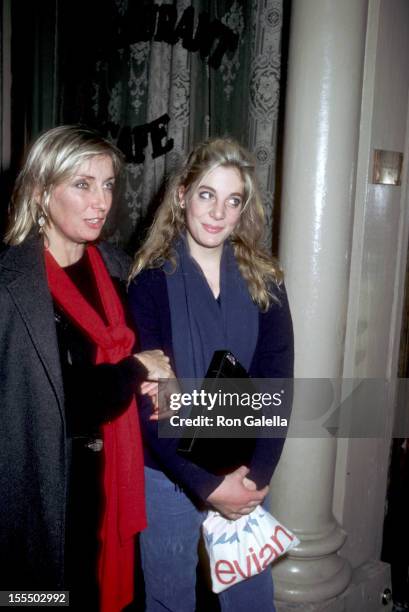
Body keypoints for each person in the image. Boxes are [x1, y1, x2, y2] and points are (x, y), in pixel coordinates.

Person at [0, 125, 172, 611]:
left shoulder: (119, 270)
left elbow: (157, 363)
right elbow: (61, 403)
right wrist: (134, 370)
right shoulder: (11, 288)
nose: (101, 201)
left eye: (108, 184)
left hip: (113, 489)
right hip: (46, 498)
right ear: (40, 191)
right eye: (82, 184)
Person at [128, 137, 294, 611]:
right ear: (182, 194)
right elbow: (149, 398)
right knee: (169, 600)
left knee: (252, 599)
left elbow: (276, 383)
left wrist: (255, 477)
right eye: (206, 194)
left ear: (244, 209)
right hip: (168, 471)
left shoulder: (266, 281)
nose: (219, 212)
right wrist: (206, 484)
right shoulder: (148, 282)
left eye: (233, 199)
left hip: (242, 467)